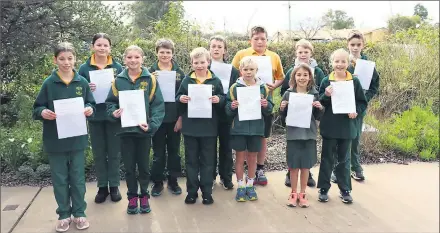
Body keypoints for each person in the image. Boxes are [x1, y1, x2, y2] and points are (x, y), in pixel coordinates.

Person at [33, 42, 94, 232]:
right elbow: (37, 108)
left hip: (77, 140)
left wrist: (89, 109)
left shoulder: (82, 82)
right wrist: (43, 112)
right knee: (60, 179)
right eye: (62, 59)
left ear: (75, 59)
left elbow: (91, 103)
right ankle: (64, 215)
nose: (66, 62)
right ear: (55, 60)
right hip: (55, 141)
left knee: (77, 178)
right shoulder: (49, 83)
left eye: (70, 58)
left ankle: (79, 213)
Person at [106, 45, 165, 214]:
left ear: (142, 59)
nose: (133, 60)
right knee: (129, 168)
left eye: (136, 57)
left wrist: (151, 125)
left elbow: (158, 106)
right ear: (124, 60)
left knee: (144, 167)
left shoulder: (151, 80)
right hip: (125, 132)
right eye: (129, 57)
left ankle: (144, 196)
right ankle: (132, 197)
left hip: (143, 132)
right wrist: (113, 113)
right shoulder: (118, 81)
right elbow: (110, 103)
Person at [231, 25, 285, 186]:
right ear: (251, 40)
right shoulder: (241, 54)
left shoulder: (273, 56)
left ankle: (259, 169)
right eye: (256, 39)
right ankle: (246, 170)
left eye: (263, 39)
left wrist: (274, 86)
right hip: (243, 105)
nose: (260, 42)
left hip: (264, 104)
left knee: (261, 137)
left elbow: (280, 77)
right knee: (245, 136)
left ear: (267, 40)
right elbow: (233, 75)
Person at [317, 48, 367, 204]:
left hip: (347, 127)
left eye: (343, 61)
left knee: (344, 160)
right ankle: (323, 188)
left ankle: (345, 189)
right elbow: (320, 103)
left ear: (349, 63)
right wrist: (326, 95)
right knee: (327, 159)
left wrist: (356, 111)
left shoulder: (355, 81)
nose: (340, 64)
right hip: (330, 127)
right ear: (332, 62)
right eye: (336, 61)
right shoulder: (326, 81)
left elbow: (362, 102)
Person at [78, 33, 124, 203]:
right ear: (92, 47)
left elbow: (124, 90)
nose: (102, 48)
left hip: (113, 116)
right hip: (95, 115)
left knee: (114, 153)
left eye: (105, 45)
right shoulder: (84, 68)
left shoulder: (118, 67)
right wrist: (86, 88)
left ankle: (114, 186)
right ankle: (102, 187)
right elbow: (78, 92)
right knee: (98, 153)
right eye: (99, 45)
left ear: (110, 48)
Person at [176, 47, 225, 205]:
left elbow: (223, 98)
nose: (199, 65)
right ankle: (191, 192)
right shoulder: (186, 80)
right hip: (190, 129)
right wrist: (181, 98)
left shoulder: (215, 81)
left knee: (207, 162)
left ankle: (206, 192)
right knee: (191, 161)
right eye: (196, 62)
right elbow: (178, 98)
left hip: (209, 129)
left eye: (202, 62)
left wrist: (219, 99)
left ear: (208, 62)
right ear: (191, 63)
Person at [331, 30, 380, 183]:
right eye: (352, 44)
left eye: (358, 44)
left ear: (363, 45)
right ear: (348, 45)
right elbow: (333, 81)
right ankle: (337, 169)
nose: (355, 47)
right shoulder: (342, 62)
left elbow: (374, 86)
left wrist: (363, 100)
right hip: (342, 107)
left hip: (358, 109)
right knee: (340, 138)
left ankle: (355, 167)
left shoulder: (368, 64)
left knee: (355, 138)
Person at [226, 56, 273, 202]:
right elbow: (228, 109)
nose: (248, 72)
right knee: (240, 157)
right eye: (245, 69)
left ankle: (250, 185)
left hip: (256, 129)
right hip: (239, 129)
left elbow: (270, 109)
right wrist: (232, 106)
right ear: (240, 71)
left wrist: (265, 104)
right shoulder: (235, 87)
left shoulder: (263, 88)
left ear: (256, 70)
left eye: (251, 69)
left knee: (252, 157)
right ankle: (240, 186)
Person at [280, 39, 326, 188]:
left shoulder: (317, 72)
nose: (303, 54)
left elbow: (319, 97)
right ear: (296, 53)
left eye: (306, 52)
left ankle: (307, 177)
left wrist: (318, 107)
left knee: (306, 157)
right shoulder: (290, 74)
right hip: (294, 125)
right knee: (293, 156)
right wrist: (285, 105)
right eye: (300, 52)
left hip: (308, 125)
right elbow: (284, 92)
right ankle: (291, 176)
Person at [149, 39, 185, 197]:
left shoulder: (179, 73)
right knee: (158, 153)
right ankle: (157, 182)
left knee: (174, 152)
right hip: (156, 119)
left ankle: (173, 180)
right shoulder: (149, 72)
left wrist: (180, 118)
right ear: (156, 52)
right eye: (161, 52)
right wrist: (150, 79)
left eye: (168, 52)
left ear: (172, 53)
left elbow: (184, 97)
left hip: (174, 119)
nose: (165, 55)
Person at [208, 35, 240, 190]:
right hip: (208, 113)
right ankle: (211, 176)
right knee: (209, 147)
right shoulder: (203, 67)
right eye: (213, 46)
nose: (216, 49)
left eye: (220, 47)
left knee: (226, 147)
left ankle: (226, 177)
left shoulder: (232, 70)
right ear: (209, 49)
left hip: (227, 113)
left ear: (225, 51)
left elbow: (236, 90)